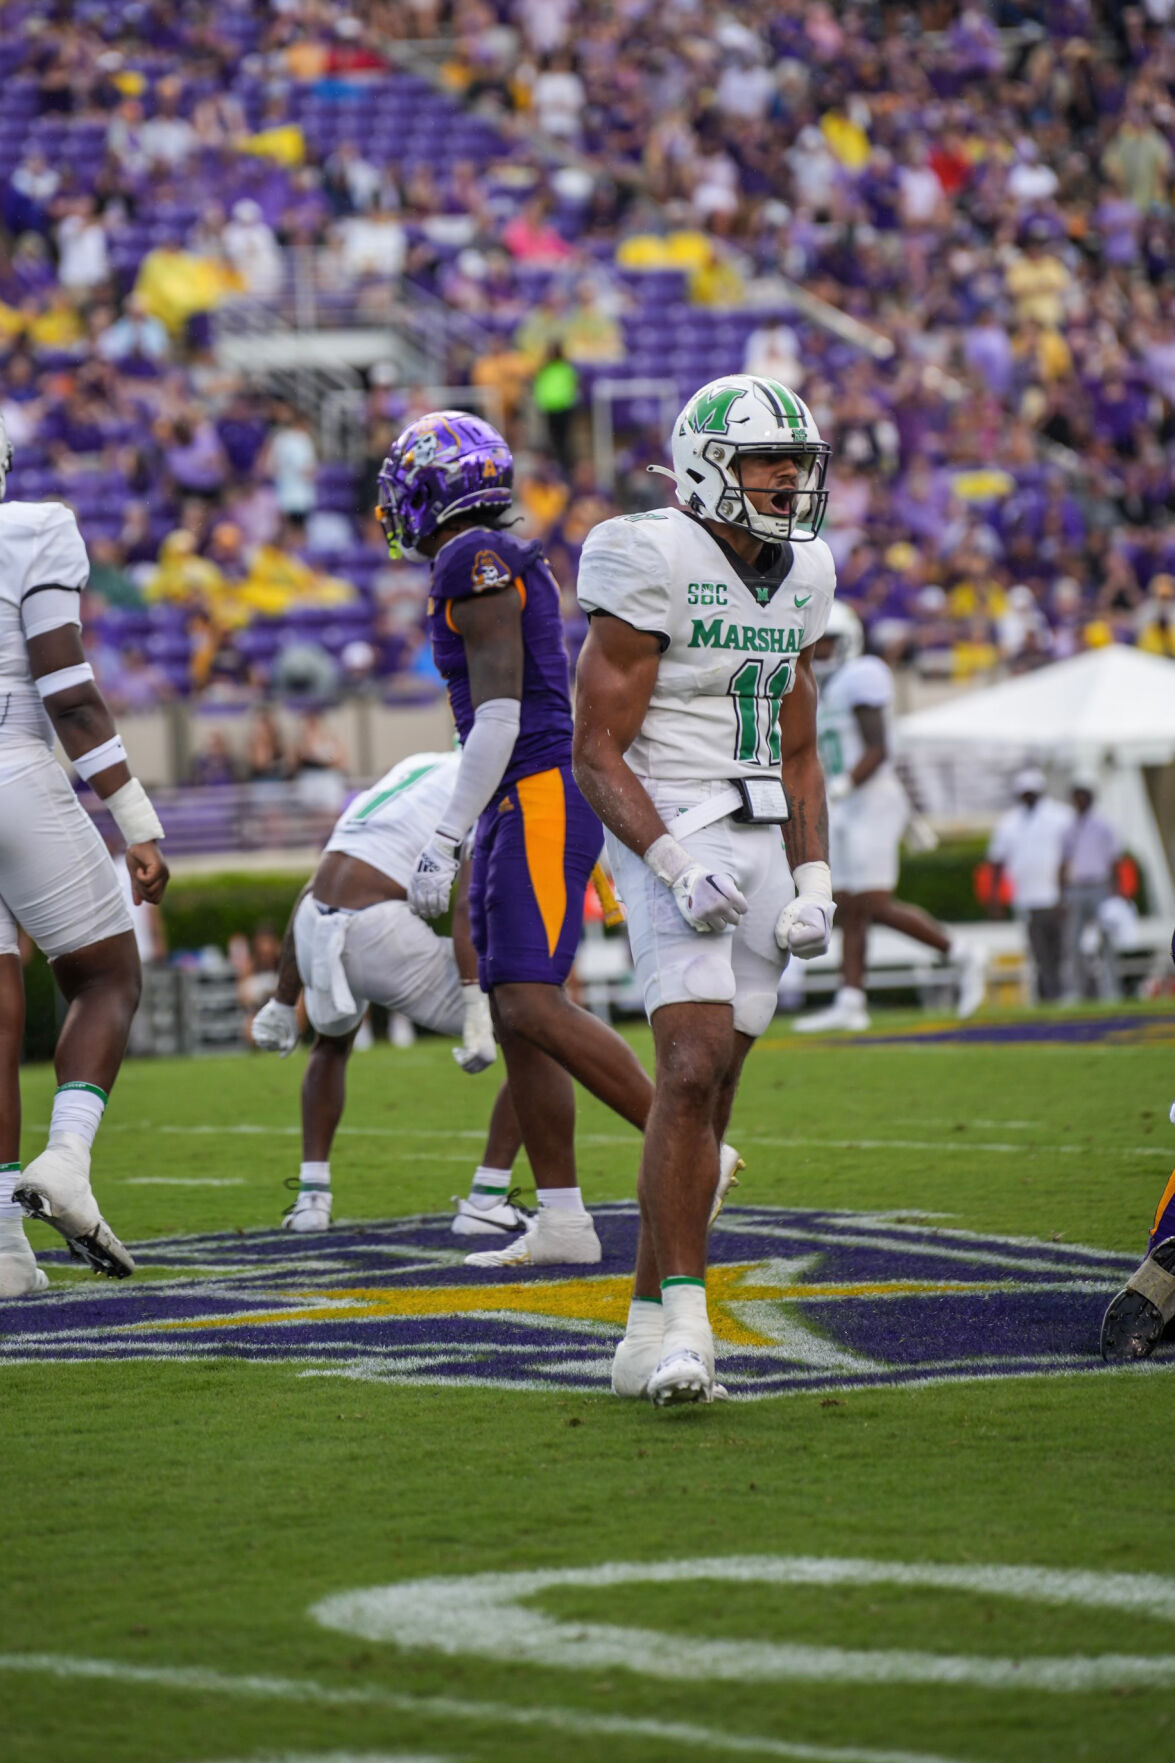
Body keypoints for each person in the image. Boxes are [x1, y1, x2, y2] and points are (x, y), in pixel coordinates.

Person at [376, 411, 741, 1273]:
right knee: (513, 1010)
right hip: (520, 792)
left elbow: (499, 713)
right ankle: (565, 1216)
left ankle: (700, 1152)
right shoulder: (476, 556)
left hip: (535, 786)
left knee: (533, 1000)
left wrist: (442, 835)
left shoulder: (474, 558)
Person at [573, 373, 838, 1405]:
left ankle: (644, 1326)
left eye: (795, 463)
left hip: (764, 823)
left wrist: (815, 873)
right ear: (703, 467)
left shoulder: (807, 570)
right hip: (666, 816)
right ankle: (690, 1321)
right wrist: (671, 862)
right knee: (683, 1068)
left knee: (712, 1089)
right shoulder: (647, 554)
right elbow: (593, 750)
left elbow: (799, 738)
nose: (786, 481)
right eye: (767, 462)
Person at [0, 414, 169, 1296]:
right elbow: (66, 691)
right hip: (13, 767)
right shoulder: (31, 526)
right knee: (107, 977)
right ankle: (66, 1157)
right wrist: (135, 817)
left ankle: (2, 1248)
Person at [250, 749, 528, 1238]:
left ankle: (312, 1199)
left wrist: (281, 997)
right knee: (539, 1028)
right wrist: (475, 1009)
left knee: (331, 1045)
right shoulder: (492, 777)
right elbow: (468, 906)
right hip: (375, 931)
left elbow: (314, 885)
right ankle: (488, 1197)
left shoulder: (413, 765)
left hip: (318, 920)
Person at [795, 601, 986, 1032]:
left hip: (870, 797)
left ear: (849, 643)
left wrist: (843, 785)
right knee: (846, 904)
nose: (822, 653)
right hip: (847, 803)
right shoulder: (816, 686)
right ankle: (851, 999)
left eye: (829, 644)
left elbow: (877, 749)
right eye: (817, 644)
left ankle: (961, 952)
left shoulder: (863, 675)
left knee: (872, 902)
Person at [987, 767, 1074, 1003]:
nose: (1028, 797)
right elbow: (997, 861)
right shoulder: (1008, 823)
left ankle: (1068, 994)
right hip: (1027, 897)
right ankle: (1050, 995)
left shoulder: (1061, 816)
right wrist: (994, 897)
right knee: (1039, 952)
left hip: (1058, 896)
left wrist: (1067, 892)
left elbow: (1071, 857)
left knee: (1064, 949)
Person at [1061, 777, 1121, 1002]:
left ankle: (1110, 990)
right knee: (1073, 941)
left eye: (1083, 795)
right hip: (1076, 888)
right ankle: (1076, 991)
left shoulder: (1104, 825)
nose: (1079, 800)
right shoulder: (1068, 827)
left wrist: (1116, 892)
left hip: (1099, 887)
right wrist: (1061, 893)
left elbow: (1114, 860)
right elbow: (1063, 861)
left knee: (1106, 939)